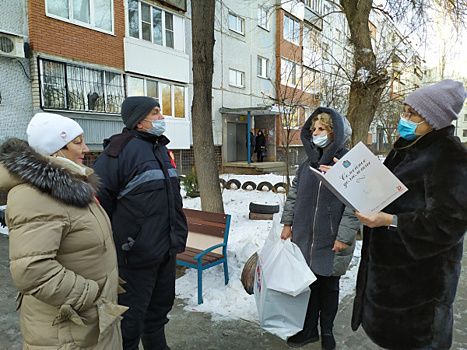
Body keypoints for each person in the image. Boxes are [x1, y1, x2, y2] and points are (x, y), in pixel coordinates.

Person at [352, 79, 467, 349]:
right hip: (389, 282)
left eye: (412, 114)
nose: (404, 119)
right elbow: (390, 191)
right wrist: (348, 174)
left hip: (419, 291)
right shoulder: (407, 146)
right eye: (404, 111)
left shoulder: (450, 155)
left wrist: (390, 221)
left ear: (434, 118)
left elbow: (449, 222)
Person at [0, 112, 127, 349]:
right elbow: (32, 270)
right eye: (77, 142)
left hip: (90, 321)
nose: (86, 149)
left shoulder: (72, 186)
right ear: (56, 150)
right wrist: (92, 293)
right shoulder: (33, 195)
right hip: (67, 331)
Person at [93, 96, 188, 350]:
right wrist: (126, 239)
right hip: (134, 255)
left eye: (160, 112)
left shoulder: (160, 149)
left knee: (158, 311)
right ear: (138, 121)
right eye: (155, 112)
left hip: (166, 249)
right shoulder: (119, 152)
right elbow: (99, 203)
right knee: (130, 319)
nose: (161, 117)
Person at [280, 107, 360, 350]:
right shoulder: (307, 164)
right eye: (314, 129)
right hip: (305, 238)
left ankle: (327, 332)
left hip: (332, 240)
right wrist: (287, 223)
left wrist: (344, 237)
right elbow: (294, 195)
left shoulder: (346, 163)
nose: (316, 133)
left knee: (329, 288)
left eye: (322, 129)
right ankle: (308, 331)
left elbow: (355, 202)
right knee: (309, 286)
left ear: (335, 133)